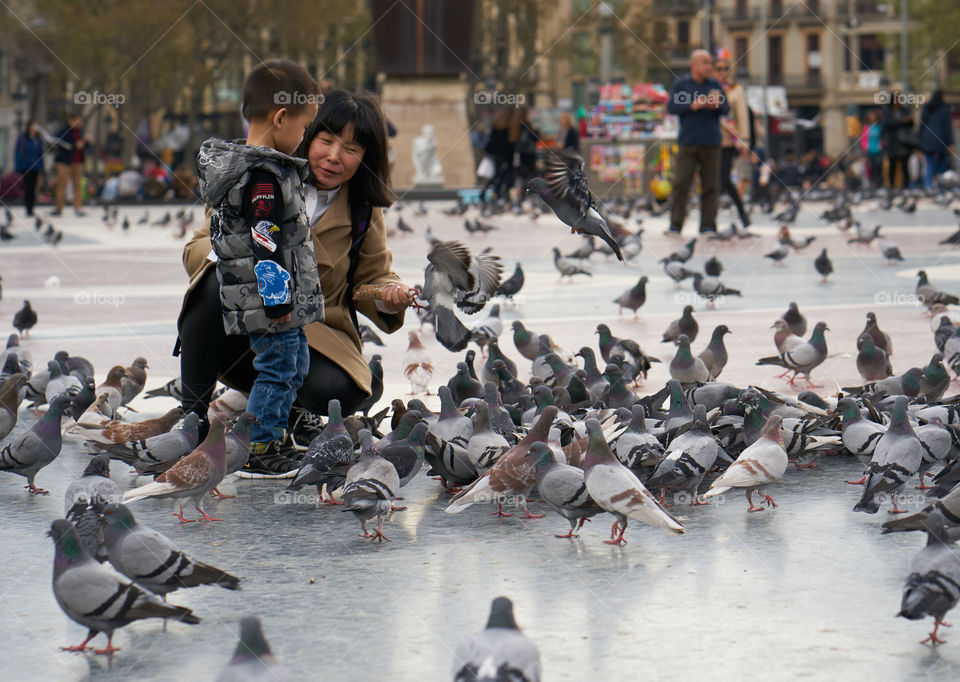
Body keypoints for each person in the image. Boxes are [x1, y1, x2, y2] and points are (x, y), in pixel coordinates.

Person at [178, 86, 414, 477]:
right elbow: (198, 246)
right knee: (211, 280)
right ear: (307, 134)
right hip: (247, 324)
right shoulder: (257, 179)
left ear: (367, 158)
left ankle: (286, 412)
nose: (335, 156)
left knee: (342, 390)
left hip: (312, 329)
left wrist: (391, 296)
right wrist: (239, 260)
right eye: (326, 140)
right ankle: (191, 421)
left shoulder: (361, 209)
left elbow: (373, 277)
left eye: (352, 149)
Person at [193, 59, 323, 473]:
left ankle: (273, 434)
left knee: (293, 364)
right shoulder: (264, 177)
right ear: (281, 118)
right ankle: (261, 447)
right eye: (303, 128)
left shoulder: (256, 171)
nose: (303, 138)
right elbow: (264, 242)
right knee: (279, 368)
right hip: (269, 300)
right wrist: (276, 298)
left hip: (269, 297)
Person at [665, 49, 729, 235]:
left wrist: (716, 104)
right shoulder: (682, 84)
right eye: (705, 63)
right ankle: (675, 225)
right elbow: (671, 106)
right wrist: (692, 105)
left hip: (712, 143)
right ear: (694, 65)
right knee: (681, 184)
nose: (709, 67)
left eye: (710, 63)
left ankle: (708, 226)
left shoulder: (715, 85)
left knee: (711, 186)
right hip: (688, 142)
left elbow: (726, 108)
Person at [713, 49, 751, 228]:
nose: (722, 72)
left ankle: (742, 211)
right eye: (718, 68)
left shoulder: (735, 91)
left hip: (728, 142)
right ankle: (709, 220)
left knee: (724, 179)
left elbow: (742, 115)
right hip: (709, 141)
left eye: (726, 68)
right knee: (712, 180)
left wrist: (744, 140)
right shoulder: (708, 88)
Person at [52, 113, 91, 216]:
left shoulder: (80, 132)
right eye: (77, 121)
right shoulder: (63, 131)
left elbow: (83, 146)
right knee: (62, 185)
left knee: (77, 186)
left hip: (78, 162)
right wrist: (75, 145)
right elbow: (60, 143)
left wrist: (86, 142)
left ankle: (78, 207)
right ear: (71, 121)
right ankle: (59, 208)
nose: (79, 123)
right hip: (64, 162)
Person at [920, 90, 954, 189]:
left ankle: (928, 186)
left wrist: (920, 140)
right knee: (941, 164)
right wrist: (950, 143)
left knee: (929, 164)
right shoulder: (944, 109)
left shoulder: (926, 108)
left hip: (927, 140)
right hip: (940, 139)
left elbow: (921, 126)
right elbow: (947, 128)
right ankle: (941, 186)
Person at [483, 106, 516, 200]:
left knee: (497, 175)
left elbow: (491, 142)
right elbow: (510, 145)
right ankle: (501, 194)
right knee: (505, 175)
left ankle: (491, 193)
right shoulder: (509, 128)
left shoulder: (495, 126)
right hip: (506, 156)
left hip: (497, 155)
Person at [881, 97, 914, 191]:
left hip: (904, 143)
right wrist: (902, 120)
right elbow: (886, 125)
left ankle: (906, 186)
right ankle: (891, 186)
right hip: (892, 144)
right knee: (892, 167)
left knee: (905, 166)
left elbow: (911, 125)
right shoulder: (887, 111)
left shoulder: (905, 110)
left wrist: (910, 120)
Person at [14, 121, 44, 217]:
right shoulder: (23, 139)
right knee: (28, 187)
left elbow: (40, 154)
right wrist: (18, 167)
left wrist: (41, 168)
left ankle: (31, 207)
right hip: (25, 167)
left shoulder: (38, 139)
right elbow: (18, 153)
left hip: (35, 166)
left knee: (33, 188)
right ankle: (28, 208)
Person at [515, 106, 540, 188]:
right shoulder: (527, 125)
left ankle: (524, 191)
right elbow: (535, 138)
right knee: (531, 173)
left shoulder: (516, 126)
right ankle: (527, 191)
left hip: (521, 153)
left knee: (523, 173)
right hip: (529, 152)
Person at [859, 110, 883, 188]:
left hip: (878, 151)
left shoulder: (880, 127)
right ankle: (872, 183)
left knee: (879, 167)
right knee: (870, 168)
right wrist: (864, 148)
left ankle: (879, 184)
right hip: (869, 151)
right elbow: (863, 139)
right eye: (870, 116)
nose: (872, 118)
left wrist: (881, 146)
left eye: (873, 116)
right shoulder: (866, 127)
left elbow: (882, 138)